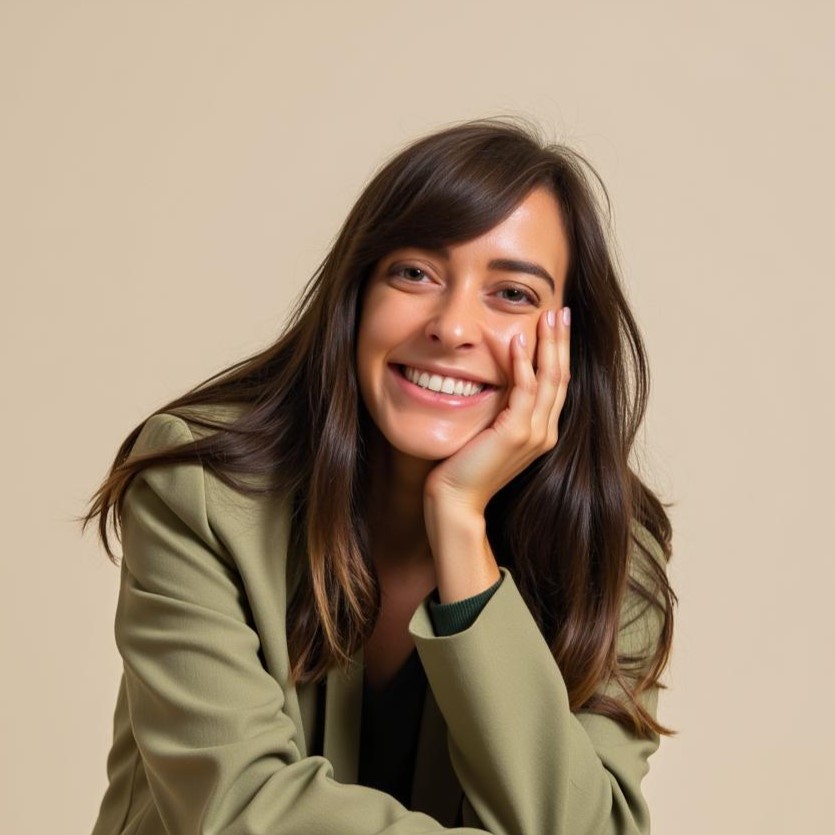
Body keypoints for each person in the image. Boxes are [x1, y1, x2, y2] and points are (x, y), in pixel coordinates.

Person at [86, 119, 675, 835]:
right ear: (357, 292)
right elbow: (236, 810)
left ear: (566, 340)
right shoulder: (202, 487)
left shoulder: (608, 550)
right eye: (415, 273)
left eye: (512, 293)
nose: (452, 325)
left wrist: (459, 521)